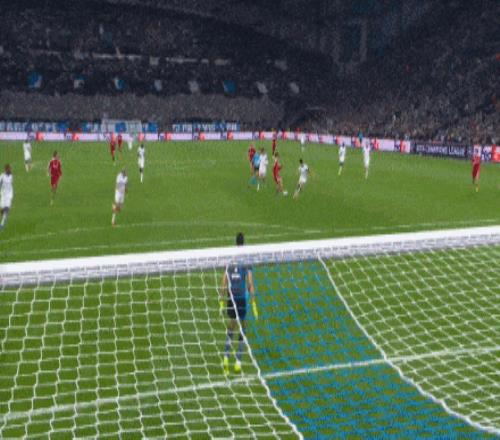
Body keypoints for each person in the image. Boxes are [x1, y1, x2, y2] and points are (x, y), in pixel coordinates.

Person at [219, 232, 258, 374]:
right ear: (244, 243)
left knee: (231, 327)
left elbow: (224, 281)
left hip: (231, 297)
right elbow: (250, 283)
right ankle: (238, 362)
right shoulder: (246, 259)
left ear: (235, 242)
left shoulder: (230, 258)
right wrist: (253, 303)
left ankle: (225, 357)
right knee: (243, 327)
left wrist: (221, 301)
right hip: (241, 298)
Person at [0, 164, 13, 230]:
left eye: (10, 169)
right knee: (2, 209)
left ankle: (2, 224)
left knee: (7, 208)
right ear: (6, 169)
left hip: (9, 195)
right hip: (3, 195)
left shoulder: (11, 176)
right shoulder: (2, 177)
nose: (10, 170)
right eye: (9, 169)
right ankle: (4, 215)